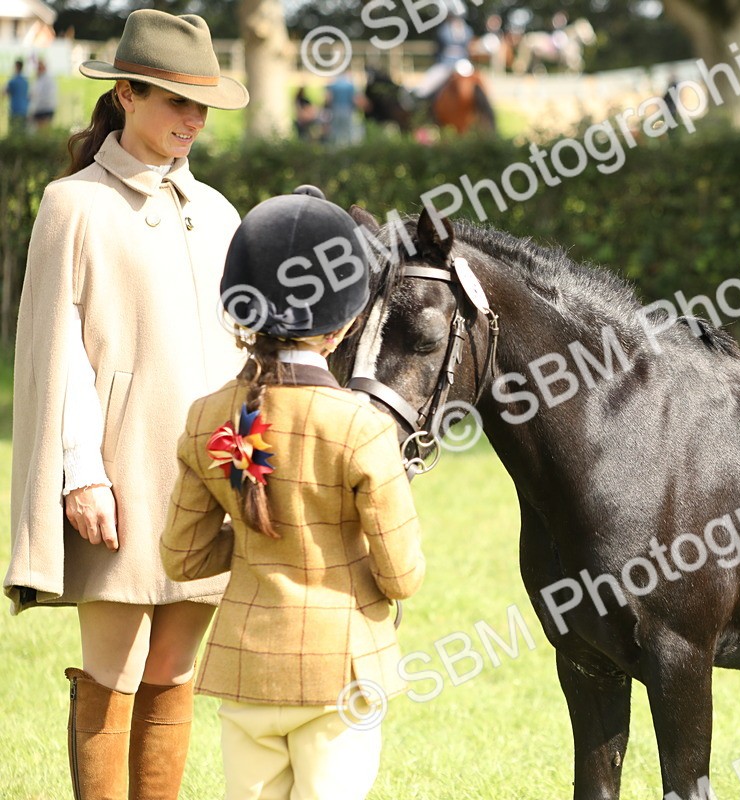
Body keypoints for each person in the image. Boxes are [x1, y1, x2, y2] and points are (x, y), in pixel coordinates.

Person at [4, 10, 248, 799]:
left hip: (210, 478)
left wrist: (254, 459)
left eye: (201, 103)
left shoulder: (218, 212)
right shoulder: (71, 203)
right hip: (117, 471)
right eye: (176, 99)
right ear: (126, 93)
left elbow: (247, 350)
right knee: (114, 667)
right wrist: (81, 472)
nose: (192, 119)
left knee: (175, 671)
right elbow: (56, 351)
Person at [160, 186, 426, 800]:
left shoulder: (208, 418)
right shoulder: (360, 425)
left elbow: (184, 557)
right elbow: (402, 574)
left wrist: (256, 539)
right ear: (342, 326)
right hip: (342, 672)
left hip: (247, 668)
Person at [414, 9, 475, 98]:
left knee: (429, 82)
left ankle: (419, 95)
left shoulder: (444, 30)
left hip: (450, 63)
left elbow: (438, 49)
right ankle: (420, 94)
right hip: (459, 63)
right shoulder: (467, 30)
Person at [30, 58, 57, 130]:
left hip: (45, 109)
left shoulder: (48, 79)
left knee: (44, 131)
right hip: (39, 109)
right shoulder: (37, 80)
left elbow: (46, 96)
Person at [5, 58, 30, 133]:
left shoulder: (13, 81)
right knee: (22, 132)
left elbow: (5, 92)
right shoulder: (25, 81)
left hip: (15, 110)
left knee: (14, 131)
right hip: (24, 109)